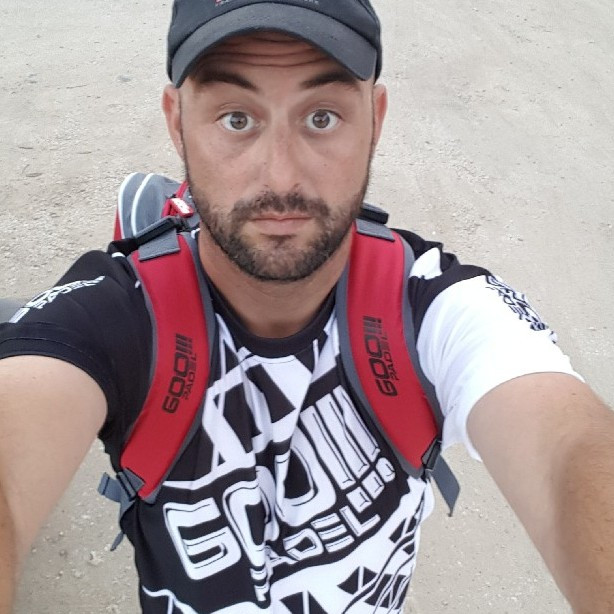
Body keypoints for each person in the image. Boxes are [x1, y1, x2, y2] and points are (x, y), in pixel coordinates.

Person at [1, 0, 613, 612]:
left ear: (374, 120)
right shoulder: (112, 317)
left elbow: (568, 451)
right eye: (236, 118)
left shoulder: (432, 309)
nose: (280, 178)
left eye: (322, 117)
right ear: (177, 122)